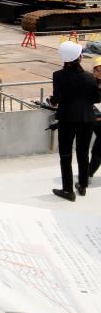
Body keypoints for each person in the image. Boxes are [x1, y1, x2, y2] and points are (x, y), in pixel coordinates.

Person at [49, 41, 100, 201]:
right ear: (79, 58)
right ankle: (82, 186)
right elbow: (96, 98)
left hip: (66, 119)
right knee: (83, 154)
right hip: (86, 119)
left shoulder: (58, 75)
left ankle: (68, 190)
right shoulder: (90, 77)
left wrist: (52, 101)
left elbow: (56, 99)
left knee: (65, 155)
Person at [89, 57, 101, 181]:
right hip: (94, 122)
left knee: (97, 151)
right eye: (96, 70)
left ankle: (89, 175)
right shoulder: (92, 84)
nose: (98, 72)